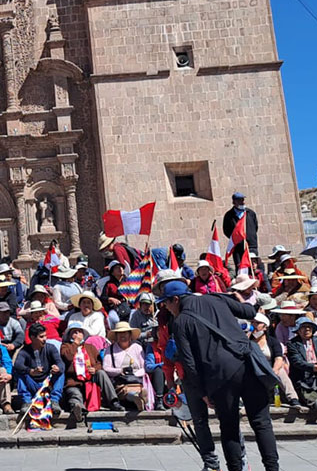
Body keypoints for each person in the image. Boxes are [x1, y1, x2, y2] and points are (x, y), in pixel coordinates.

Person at [162, 281, 278, 471]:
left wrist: (202, 392)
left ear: (176, 299)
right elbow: (250, 312)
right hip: (247, 364)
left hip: (221, 376)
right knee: (262, 422)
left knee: (229, 426)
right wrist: (240, 299)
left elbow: (189, 363)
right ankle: (273, 469)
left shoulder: (181, 322)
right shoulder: (217, 298)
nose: (166, 307)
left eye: (166, 303)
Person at [12, 324, 63, 415]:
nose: (45, 339)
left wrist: (57, 368)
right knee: (20, 373)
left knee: (61, 373)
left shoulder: (51, 348)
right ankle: (26, 401)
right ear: (32, 337)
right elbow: (18, 365)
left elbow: (60, 363)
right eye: (41, 337)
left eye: (45, 336)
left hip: (47, 384)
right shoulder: (25, 351)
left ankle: (54, 401)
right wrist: (30, 371)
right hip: (32, 383)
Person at [99, 321, 147, 410]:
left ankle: (141, 396)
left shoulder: (137, 347)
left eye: (125, 333)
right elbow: (106, 368)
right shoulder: (110, 349)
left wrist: (134, 374)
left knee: (139, 388)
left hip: (137, 380)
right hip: (120, 382)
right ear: (116, 336)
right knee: (125, 391)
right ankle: (136, 398)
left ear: (130, 335)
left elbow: (144, 367)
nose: (123, 336)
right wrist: (120, 371)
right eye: (120, 334)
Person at [223, 192, 259, 265]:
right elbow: (226, 230)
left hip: (251, 245)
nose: (242, 202)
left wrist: (250, 236)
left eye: (242, 200)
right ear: (234, 202)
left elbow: (255, 227)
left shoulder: (250, 213)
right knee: (240, 266)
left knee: (252, 265)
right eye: (239, 200)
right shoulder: (229, 215)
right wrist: (236, 239)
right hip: (237, 247)